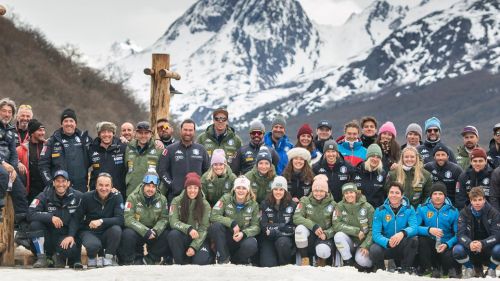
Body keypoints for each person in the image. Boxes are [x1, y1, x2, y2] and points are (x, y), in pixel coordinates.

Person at [27, 170, 83, 268]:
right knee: (35, 224)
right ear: (53, 183)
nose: (60, 184)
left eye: (63, 181)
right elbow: (30, 213)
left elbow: (91, 200)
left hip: (65, 236)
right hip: (49, 235)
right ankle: (42, 258)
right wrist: (50, 217)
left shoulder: (78, 196)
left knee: (71, 250)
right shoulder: (44, 195)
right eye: (58, 181)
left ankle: (59, 257)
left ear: (68, 183)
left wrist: (71, 235)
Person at [119, 170, 170, 265]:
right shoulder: (132, 197)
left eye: (153, 187)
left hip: (153, 231)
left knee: (167, 234)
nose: (150, 189)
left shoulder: (162, 199)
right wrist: (145, 231)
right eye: (148, 186)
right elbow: (128, 219)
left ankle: (150, 259)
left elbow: (164, 218)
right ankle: (130, 260)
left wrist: (156, 230)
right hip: (138, 231)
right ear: (143, 185)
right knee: (127, 234)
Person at [209, 176, 260, 264]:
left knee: (251, 244)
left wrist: (244, 233)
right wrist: (231, 223)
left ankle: (237, 261)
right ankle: (224, 259)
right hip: (227, 236)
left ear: (248, 190)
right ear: (234, 189)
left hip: (242, 237)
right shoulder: (225, 198)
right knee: (216, 226)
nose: (241, 190)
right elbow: (213, 215)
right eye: (238, 188)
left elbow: (256, 226)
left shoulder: (254, 205)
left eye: (244, 188)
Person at [75, 173, 123, 267]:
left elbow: (120, 219)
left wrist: (101, 221)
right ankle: (92, 258)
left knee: (116, 230)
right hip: (89, 231)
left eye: (107, 185)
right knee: (93, 245)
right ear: (96, 186)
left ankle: (108, 259)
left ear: (111, 186)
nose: (104, 188)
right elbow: (76, 218)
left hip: (106, 231)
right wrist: (71, 235)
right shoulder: (86, 197)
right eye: (100, 185)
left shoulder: (117, 196)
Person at [369, 182, 418, 273]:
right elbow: (376, 234)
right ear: (388, 194)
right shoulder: (380, 210)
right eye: (391, 192)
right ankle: (381, 271)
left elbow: (414, 227)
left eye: (397, 193)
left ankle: (405, 270)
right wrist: (387, 242)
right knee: (374, 249)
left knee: (414, 240)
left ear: (402, 195)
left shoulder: (409, 209)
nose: (394, 195)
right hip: (387, 245)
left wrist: (402, 233)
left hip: (402, 245)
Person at [39, 108, 92, 193]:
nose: (68, 124)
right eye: (66, 121)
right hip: (60, 189)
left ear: (75, 123)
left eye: (71, 121)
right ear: (61, 124)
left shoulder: (84, 139)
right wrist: (50, 183)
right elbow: (43, 165)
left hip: (81, 187)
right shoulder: (52, 141)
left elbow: (97, 155)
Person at [158, 119, 210, 203]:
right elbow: (162, 171)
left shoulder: (201, 149)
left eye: (190, 130)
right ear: (180, 130)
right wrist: (172, 185)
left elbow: (207, 172)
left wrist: (200, 186)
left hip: (196, 197)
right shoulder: (170, 149)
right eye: (185, 130)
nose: (188, 133)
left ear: (194, 131)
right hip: (175, 197)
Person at [452, 187, 500, 278]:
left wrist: (483, 243)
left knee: (499, 249)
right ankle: (470, 268)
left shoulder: (494, 213)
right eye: (474, 200)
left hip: (487, 248)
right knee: (457, 250)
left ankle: (491, 270)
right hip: (471, 248)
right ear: (470, 200)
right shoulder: (464, 213)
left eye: (480, 200)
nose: (477, 203)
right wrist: (469, 243)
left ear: (484, 200)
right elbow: (460, 234)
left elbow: (497, 235)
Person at [415, 182, 460, 278]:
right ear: (431, 196)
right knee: (421, 240)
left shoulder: (453, 211)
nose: (437, 196)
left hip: (445, 244)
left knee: (447, 262)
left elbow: (458, 234)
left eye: (440, 194)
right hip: (430, 245)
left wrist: (448, 244)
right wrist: (429, 230)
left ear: (445, 196)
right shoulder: (422, 208)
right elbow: (414, 228)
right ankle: (428, 269)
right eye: (435, 194)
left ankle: (446, 270)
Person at [0, 98, 30, 239]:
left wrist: (12, 167)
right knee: (3, 175)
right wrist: (2, 163)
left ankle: (23, 230)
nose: (6, 114)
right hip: (1, 165)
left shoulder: (11, 130)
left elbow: (13, 152)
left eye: (9, 112)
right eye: (4, 111)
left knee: (21, 191)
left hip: (7, 166)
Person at [168, 173, 212, 265]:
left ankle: (204, 256)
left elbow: (204, 228)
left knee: (200, 262)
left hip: (199, 238)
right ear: (186, 188)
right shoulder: (176, 201)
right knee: (173, 234)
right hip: (183, 236)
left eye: (195, 188)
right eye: (190, 187)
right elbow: (173, 221)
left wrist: (194, 246)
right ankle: (179, 262)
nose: (192, 190)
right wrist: (188, 229)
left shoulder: (205, 205)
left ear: (199, 189)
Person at [293, 174, 337, 266]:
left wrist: (327, 233)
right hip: (310, 233)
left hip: (324, 235)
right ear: (312, 191)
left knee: (323, 251)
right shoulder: (305, 200)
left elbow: (337, 225)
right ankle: (305, 259)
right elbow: (297, 217)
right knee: (299, 229)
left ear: (326, 192)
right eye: (316, 191)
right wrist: (313, 226)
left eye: (321, 191)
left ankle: (322, 262)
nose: (318, 193)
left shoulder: (333, 204)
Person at [332, 182, 374, 271]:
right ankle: (348, 262)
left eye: (351, 192)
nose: (349, 195)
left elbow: (373, 229)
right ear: (343, 195)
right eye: (346, 193)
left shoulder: (367, 207)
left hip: (363, 242)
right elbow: (336, 225)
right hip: (349, 241)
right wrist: (356, 231)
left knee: (363, 261)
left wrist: (366, 245)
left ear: (356, 193)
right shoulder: (339, 206)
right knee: (338, 236)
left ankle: (360, 265)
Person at [259, 176, 297, 267]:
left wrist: (275, 230)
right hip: (268, 240)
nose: (278, 192)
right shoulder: (265, 204)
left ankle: (285, 265)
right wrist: (282, 226)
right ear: (272, 190)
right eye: (275, 189)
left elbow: (293, 227)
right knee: (268, 264)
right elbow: (264, 225)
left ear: (285, 191)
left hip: (284, 238)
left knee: (283, 243)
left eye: (281, 189)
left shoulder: (292, 205)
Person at [88, 121, 127, 198]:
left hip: (118, 193)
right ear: (99, 134)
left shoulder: (122, 147)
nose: (106, 135)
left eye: (109, 132)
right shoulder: (92, 148)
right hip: (98, 194)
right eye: (103, 132)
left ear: (113, 133)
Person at [124, 121, 162, 197]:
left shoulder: (158, 149)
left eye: (146, 133)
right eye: (140, 133)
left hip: (151, 194)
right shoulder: (128, 148)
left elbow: (162, 173)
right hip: (131, 192)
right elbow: (126, 168)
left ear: (151, 134)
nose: (143, 135)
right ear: (135, 134)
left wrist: (160, 192)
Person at [16, 119, 46, 202]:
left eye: (44, 130)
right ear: (32, 132)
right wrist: (18, 163)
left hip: (46, 188)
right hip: (29, 190)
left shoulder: (48, 147)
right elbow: (12, 160)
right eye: (40, 130)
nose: (43, 133)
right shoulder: (21, 149)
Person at [353, 144, 387, 208]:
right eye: (373, 156)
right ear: (368, 157)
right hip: (359, 210)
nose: (375, 159)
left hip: (376, 210)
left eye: (378, 157)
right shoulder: (357, 171)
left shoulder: (382, 173)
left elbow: (385, 194)